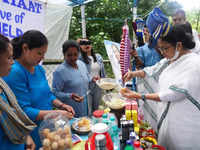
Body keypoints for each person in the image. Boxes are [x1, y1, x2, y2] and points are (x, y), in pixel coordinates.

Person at [121, 24, 200, 150]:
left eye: (165, 49)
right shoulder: (171, 59)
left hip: (186, 127)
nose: (162, 53)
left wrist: (138, 95)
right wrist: (133, 73)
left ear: (179, 45)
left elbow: (172, 94)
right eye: (160, 49)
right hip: (170, 121)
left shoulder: (194, 64)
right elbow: (152, 70)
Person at [3, 30, 75, 150]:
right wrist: (56, 114)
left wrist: (61, 105)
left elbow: (48, 95)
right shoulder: (15, 72)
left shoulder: (39, 69)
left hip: (47, 127)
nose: (42, 57)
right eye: (39, 53)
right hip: (32, 132)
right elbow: (23, 111)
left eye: (44, 53)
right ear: (25, 48)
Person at [0, 34, 36, 150]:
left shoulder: (2, 85)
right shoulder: (15, 74)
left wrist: (25, 137)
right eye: (9, 57)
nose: (13, 62)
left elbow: (13, 114)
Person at [52, 40, 91, 117]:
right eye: (69, 55)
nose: (73, 58)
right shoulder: (60, 71)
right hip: (70, 111)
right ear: (64, 54)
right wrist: (69, 96)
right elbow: (55, 93)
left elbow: (86, 78)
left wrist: (92, 79)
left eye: (75, 54)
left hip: (85, 107)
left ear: (79, 53)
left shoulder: (82, 64)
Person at [78, 38, 106, 115]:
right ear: (80, 46)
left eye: (88, 43)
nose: (87, 45)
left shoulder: (98, 57)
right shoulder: (79, 58)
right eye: (83, 43)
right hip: (86, 86)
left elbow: (102, 72)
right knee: (88, 109)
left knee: (96, 108)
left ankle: (96, 124)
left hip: (98, 85)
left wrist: (105, 82)